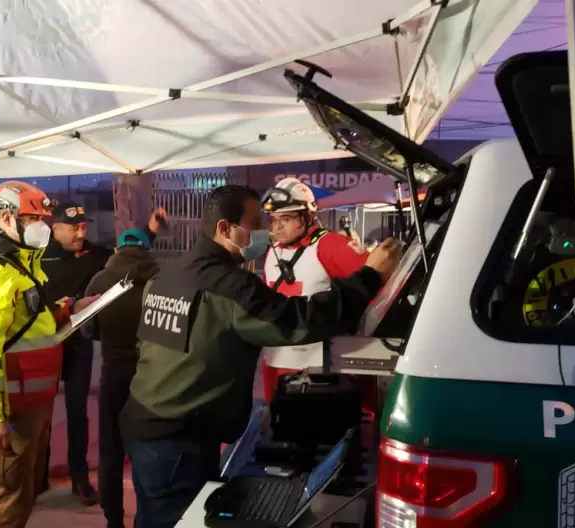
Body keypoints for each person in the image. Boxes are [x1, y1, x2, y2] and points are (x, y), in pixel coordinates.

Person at [119, 185, 403, 528]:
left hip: (150, 423)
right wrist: (369, 276)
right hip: (177, 438)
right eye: (255, 223)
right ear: (225, 228)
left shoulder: (169, 272)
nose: (265, 231)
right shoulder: (227, 283)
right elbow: (297, 321)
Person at [0, 182, 99, 528]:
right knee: (9, 499)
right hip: (10, 408)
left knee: (23, 494)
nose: (42, 225)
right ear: (6, 219)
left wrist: (69, 309)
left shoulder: (21, 263)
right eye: (33, 217)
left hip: (31, 403)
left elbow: (31, 321)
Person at [38, 201, 167, 504]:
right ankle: (37, 476)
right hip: (46, 345)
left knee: (77, 412)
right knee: (40, 415)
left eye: (84, 226)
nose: (81, 233)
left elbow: (128, 255)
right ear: (55, 228)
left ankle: (80, 478)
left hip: (78, 346)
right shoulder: (39, 258)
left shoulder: (93, 255)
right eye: (74, 228)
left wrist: (150, 231)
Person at [260, 178, 373, 403]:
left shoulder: (331, 245)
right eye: (273, 220)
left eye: (286, 218)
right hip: (275, 361)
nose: (277, 227)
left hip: (318, 372)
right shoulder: (273, 251)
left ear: (307, 217)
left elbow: (374, 285)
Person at [82, 229, 160, 528]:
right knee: (149, 449)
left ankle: (113, 519)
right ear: (147, 248)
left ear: (118, 248)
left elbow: (88, 329)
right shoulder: (161, 281)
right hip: (151, 374)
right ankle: (148, 517)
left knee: (111, 450)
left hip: (114, 371)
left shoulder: (101, 280)